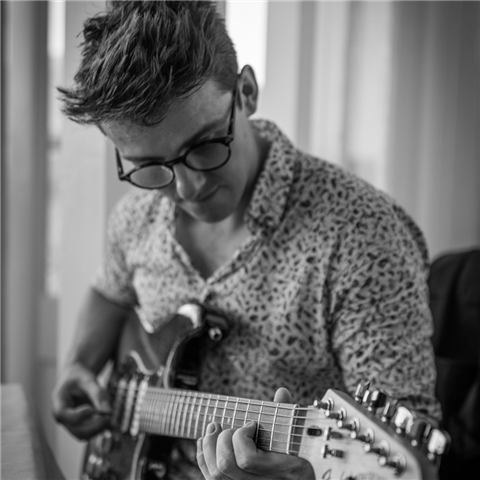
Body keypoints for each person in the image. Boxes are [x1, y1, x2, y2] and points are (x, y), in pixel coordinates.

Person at [51, 1, 442, 479]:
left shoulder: (363, 235)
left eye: (203, 145)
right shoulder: (135, 216)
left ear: (247, 93)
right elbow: (109, 291)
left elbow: (407, 437)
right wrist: (78, 365)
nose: (186, 189)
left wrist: (297, 476)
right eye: (149, 166)